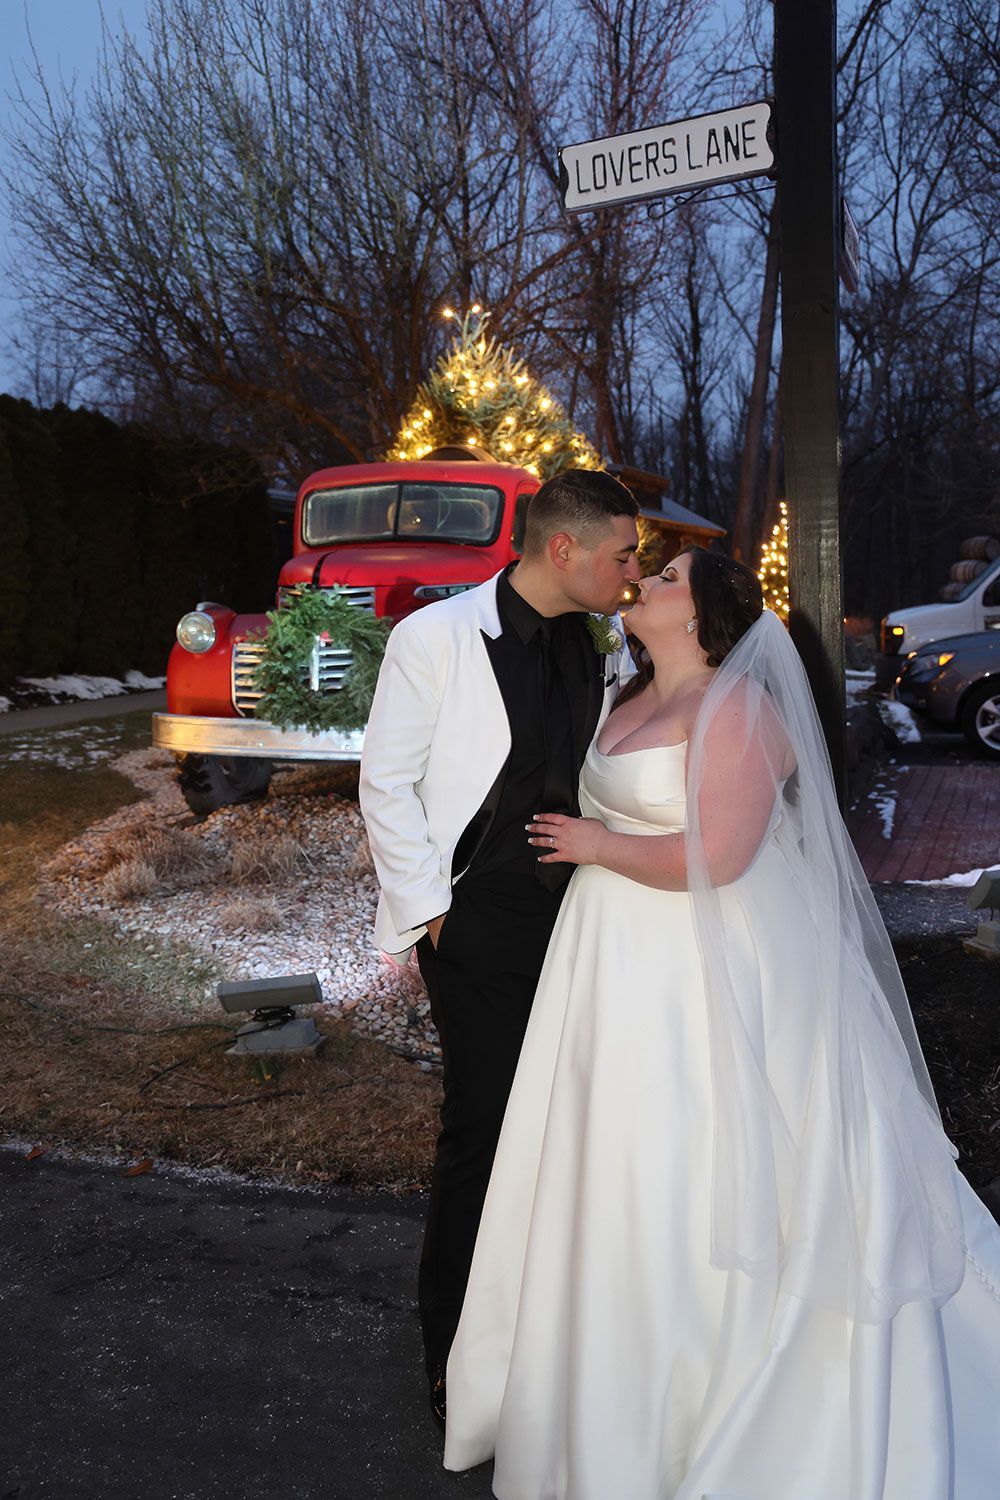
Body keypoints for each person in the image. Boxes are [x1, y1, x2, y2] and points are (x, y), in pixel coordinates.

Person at [444, 548, 1000, 1499]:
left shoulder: (737, 709)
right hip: (608, 959)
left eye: (667, 578)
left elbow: (726, 853)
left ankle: (726, 1398)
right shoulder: (625, 694)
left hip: (703, 965)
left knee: (695, 1149)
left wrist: (596, 843)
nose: (646, 583)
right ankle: (595, 1394)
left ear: (702, 616)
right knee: (606, 1157)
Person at [358, 467, 641, 1430]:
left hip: (588, 915)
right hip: (479, 919)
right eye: (623, 555)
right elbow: (386, 784)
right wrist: (432, 910)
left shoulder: (603, 644)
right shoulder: (436, 636)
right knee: (483, 1127)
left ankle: (548, 1336)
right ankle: (454, 1359)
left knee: (572, 1127)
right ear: (564, 549)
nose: (632, 572)